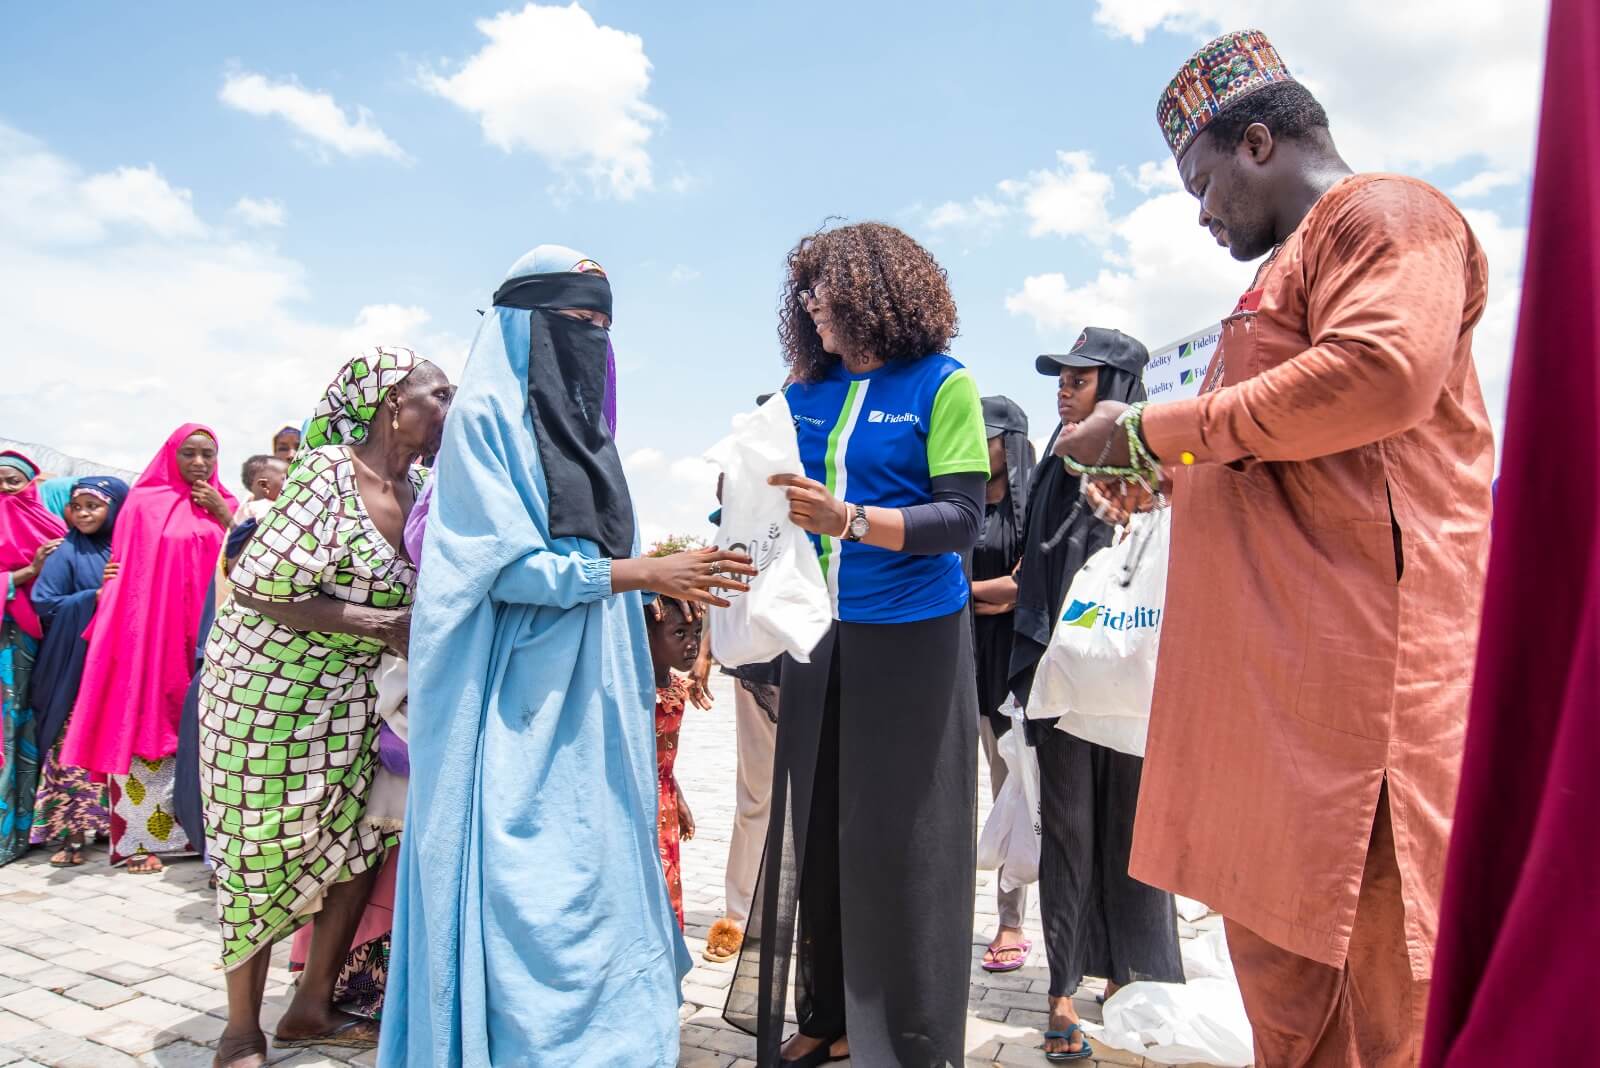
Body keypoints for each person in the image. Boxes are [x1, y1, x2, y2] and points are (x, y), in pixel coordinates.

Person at [1059, 31, 1494, 1066]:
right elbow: (1281, 448)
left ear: (1258, 142)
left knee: (1383, 1004)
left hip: (1358, 708)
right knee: (1292, 1013)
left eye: (1203, 184)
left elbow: (1380, 374)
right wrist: (1167, 476)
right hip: (1272, 706)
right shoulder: (1278, 275)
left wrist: (1149, 431)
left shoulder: (1387, 216)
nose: (1202, 215)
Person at [379, 245, 755, 1068]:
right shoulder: (484, 428)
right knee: (525, 882)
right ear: (523, 326)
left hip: (597, 694)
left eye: (601, 325)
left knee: (598, 868)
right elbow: (499, 568)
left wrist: (655, 579)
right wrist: (641, 573)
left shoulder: (589, 438)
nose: (591, 338)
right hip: (515, 696)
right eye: (574, 321)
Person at [725, 222, 990, 1068]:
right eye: (803, 290)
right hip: (816, 637)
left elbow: (962, 520)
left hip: (913, 639)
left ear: (875, 295)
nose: (811, 305)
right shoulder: (800, 393)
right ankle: (828, 1017)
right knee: (821, 833)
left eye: (826, 288)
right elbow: (757, 501)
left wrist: (851, 521)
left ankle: (907, 1036)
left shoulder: (942, 384)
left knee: (905, 842)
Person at [194, 347, 450, 1067]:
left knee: (358, 839)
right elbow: (257, 585)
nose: (449, 408)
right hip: (265, 695)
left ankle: (310, 1005)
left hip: (352, 698)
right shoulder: (328, 474)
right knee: (258, 849)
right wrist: (377, 624)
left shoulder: (422, 486)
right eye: (438, 395)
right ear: (391, 404)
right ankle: (240, 1030)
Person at [1014, 332, 1182, 1061]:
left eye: (1079, 379)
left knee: (1137, 839)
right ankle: (1061, 991)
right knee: (1069, 835)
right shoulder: (1057, 461)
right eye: (1060, 378)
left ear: (1117, 386)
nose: (1063, 389)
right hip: (1068, 687)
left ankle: (1129, 980)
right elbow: (1037, 567)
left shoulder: (1165, 463)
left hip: (1138, 686)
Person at [60, 426, 235, 873]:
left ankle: (203, 838)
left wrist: (222, 515)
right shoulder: (143, 504)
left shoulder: (228, 504)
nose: (199, 463)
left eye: (208, 454)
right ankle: (141, 842)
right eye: (189, 454)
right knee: (146, 721)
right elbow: (128, 574)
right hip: (154, 635)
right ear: (171, 455)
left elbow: (249, 560)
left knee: (207, 730)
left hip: (210, 634)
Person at [969, 395, 1036, 976]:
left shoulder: (1035, 507)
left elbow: (1028, 587)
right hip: (952, 663)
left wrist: (965, 593)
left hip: (1008, 674)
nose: (974, 441)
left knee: (1008, 799)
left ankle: (1010, 923)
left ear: (1010, 443)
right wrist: (989, 595)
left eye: (985, 435)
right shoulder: (956, 498)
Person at [27, 476, 127, 866]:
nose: (83, 514)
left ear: (116, 508)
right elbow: (44, 602)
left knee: (111, 736)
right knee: (69, 739)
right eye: (77, 507)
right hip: (74, 664)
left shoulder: (128, 549)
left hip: (117, 662)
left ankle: (111, 826)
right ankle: (71, 832)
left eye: (94, 506)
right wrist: (93, 597)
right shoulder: (65, 552)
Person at [0, 451, 67, 865]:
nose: (5, 490)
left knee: (26, 729)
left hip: (36, 642)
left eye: (13, 481)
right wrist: (27, 572)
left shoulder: (52, 527)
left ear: (30, 485)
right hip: (6, 641)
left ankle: (24, 828)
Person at [648, 595, 702, 928]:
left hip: (665, 805)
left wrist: (678, 798)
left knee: (669, 885)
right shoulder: (636, 693)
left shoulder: (675, 688)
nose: (692, 643)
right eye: (679, 633)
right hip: (639, 807)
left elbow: (664, 763)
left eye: (697, 632)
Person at [225, 454, 289, 567]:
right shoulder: (261, 505)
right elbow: (265, 520)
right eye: (285, 479)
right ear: (264, 485)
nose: (291, 482)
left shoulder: (248, 504)